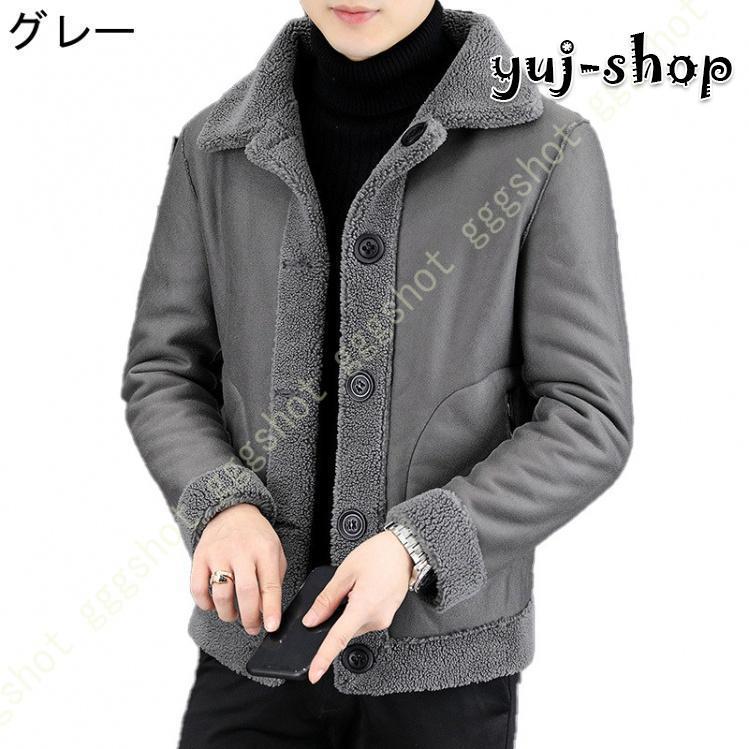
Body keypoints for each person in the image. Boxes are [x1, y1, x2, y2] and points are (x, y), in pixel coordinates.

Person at [121, 1, 633, 746]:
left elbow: (589, 417)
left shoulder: (545, 148)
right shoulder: (215, 147)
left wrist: (418, 546)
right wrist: (221, 504)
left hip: (441, 673)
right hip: (251, 651)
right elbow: (164, 371)